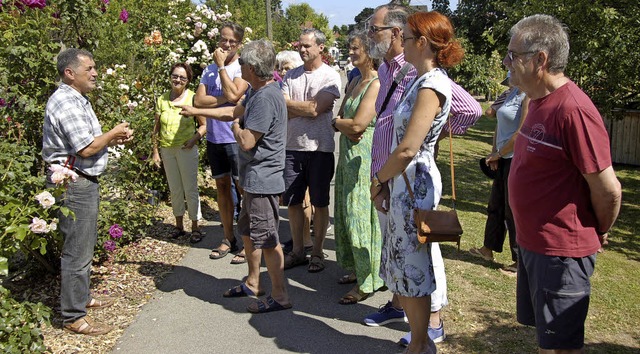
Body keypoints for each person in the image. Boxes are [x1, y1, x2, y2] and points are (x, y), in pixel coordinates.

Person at [506, 15, 622, 353]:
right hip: (534, 245)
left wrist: (595, 230)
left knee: (560, 347)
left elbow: (608, 189)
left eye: (513, 55)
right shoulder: (539, 101)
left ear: (540, 60)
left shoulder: (574, 110)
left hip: (560, 253)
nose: (506, 63)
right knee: (547, 340)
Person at [369, 10, 463, 354]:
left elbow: (409, 147)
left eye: (406, 38)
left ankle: (421, 343)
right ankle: (421, 341)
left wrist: (380, 179)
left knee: (412, 264)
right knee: (403, 264)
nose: (402, 43)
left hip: (415, 184)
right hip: (406, 183)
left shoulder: (433, 84)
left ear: (422, 43)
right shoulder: (417, 79)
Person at [179, 39, 291, 313]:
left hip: (263, 180)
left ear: (251, 68)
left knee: (267, 239)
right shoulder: (257, 91)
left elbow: (246, 140)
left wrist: (237, 128)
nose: (238, 67)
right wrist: (197, 111)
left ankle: (280, 295)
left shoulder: (265, 98)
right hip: (253, 178)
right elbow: (231, 110)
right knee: (250, 233)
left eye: (240, 64)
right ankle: (253, 282)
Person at [42, 48, 134, 335]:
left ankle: (80, 299)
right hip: (73, 184)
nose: (95, 73)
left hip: (82, 180)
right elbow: (85, 148)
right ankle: (73, 316)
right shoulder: (66, 102)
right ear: (70, 73)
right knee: (77, 251)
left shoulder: (77, 99)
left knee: (84, 244)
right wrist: (113, 134)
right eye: (90, 69)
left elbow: (88, 143)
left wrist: (111, 138)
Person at [280, 28, 341, 273]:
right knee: (293, 203)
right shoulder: (290, 76)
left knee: (320, 203)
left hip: (320, 148)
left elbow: (317, 109)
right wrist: (308, 107)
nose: (302, 50)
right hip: (292, 147)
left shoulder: (330, 76)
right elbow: (283, 107)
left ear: (321, 48)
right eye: (300, 46)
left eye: (307, 46)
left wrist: (301, 107)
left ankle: (317, 252)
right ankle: (297, 251)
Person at [332, 31, 382, 304]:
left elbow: (358, 125)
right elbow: (342, 119)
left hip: (364, 159)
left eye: (354, 49)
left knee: (359, 215)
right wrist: (341, 125)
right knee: (347, 212)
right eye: (349, 48)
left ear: (370, 52)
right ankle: (358, 269)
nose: (350, 53)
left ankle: (367, 281)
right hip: (349, 157)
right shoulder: (355, 82)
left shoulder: (375, 84)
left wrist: (341, 124)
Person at [194, 22, 249, 264]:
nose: (226, 45)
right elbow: (198, 99)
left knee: (244, 190)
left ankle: (249, 240)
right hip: (215, 137)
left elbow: (235, 96)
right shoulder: (208, 69)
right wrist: (221, 101)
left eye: (232, 42)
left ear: (239, 44)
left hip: (236, 137)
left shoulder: (242, 68)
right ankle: (229, 237)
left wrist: (220, 70)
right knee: (222, 189)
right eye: (223, 40)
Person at [469, 72, 529, 274]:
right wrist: (495, 152)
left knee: (512, 209)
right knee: (495, 205)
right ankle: (488, 248)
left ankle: (519, 260)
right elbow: (498, 123)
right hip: (502, 157)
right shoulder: (511, 93)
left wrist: (501, 153)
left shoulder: (527, 96)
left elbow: (522, 132)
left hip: (516, 159)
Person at [151, 63, 206, 243]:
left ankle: (196, 227)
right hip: (167, 149)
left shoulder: (192, 98)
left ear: (188, 81)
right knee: (175, 189)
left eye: (182, 78)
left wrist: (193, 140)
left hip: (186, 149)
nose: (178, 80)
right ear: (170, 77)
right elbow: (156, 129)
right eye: (175, 76)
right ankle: (179, 225)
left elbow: (204, 125)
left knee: (190, 188)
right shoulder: (162, 100)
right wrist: (155, 152)